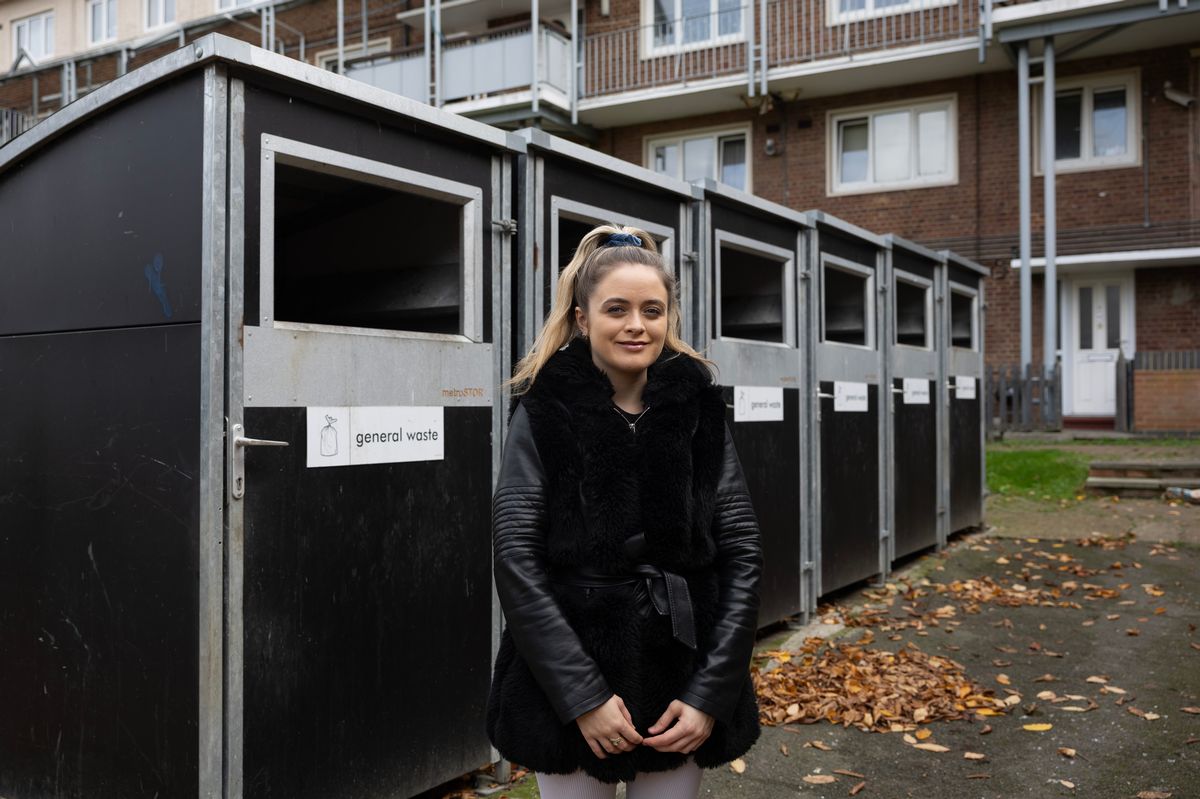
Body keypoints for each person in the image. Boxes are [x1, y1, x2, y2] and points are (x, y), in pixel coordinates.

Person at [485, 224, 763, 798]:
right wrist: (581, 696)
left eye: (652, 310)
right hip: (570, 667)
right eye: (617, 309)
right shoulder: (543, 413)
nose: (637, 325)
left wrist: (711, 691)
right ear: (583, 318)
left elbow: (742, 552)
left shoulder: (699, 412)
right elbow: (516, 559)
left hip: (681, 671)